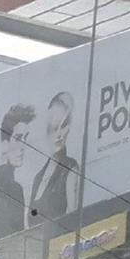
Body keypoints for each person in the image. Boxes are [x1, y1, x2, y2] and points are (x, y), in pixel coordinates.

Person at [0, 104, 35, 244]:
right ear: (4, 144)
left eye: (26, 138)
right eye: (18, 138)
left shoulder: (9, 186)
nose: (23, 147)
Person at [27, 92, 80, 227]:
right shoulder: (37, 178)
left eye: (63, 126)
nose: (58, 135)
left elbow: (74, 219)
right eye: (53, 128)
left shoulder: (70, 169)